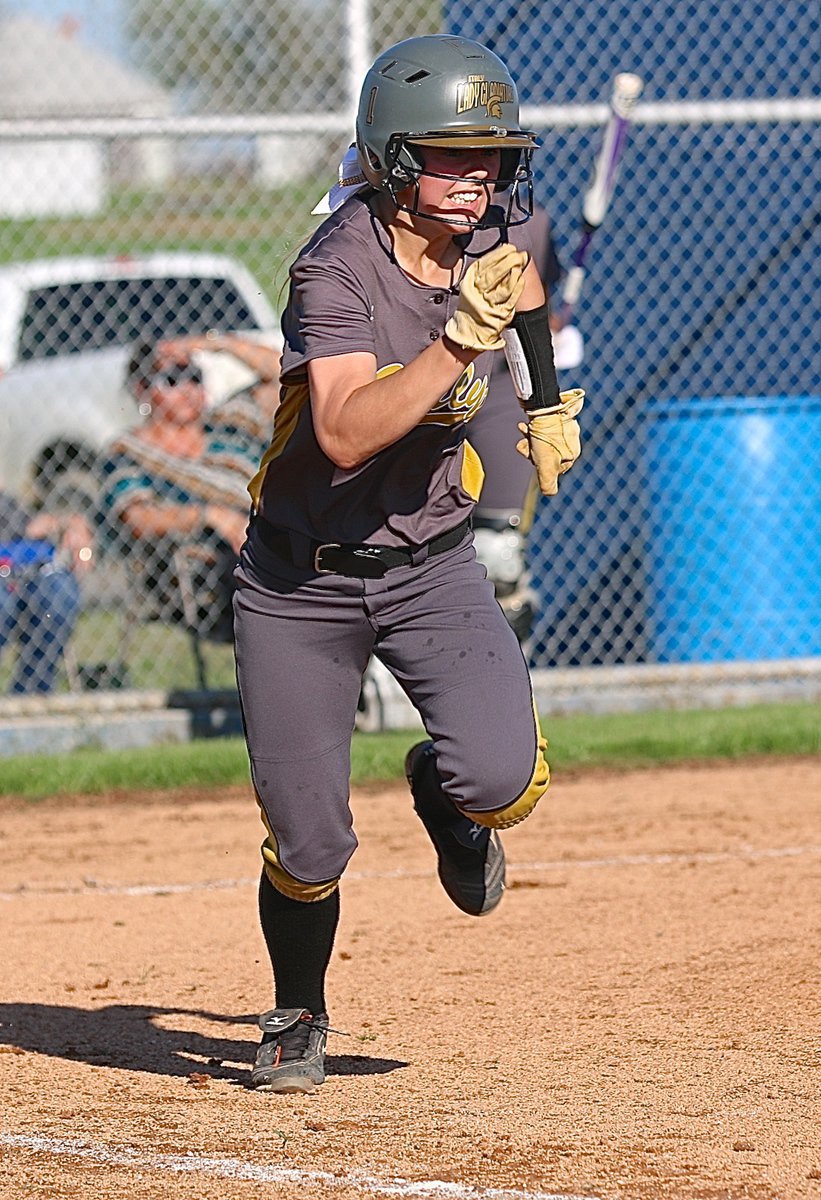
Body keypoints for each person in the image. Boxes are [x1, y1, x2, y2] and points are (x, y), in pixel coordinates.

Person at [233, 34, 585, 1094]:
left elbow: (520, 288)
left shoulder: (495, 219)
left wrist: (544, 398)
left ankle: (440, 791)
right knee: (308, 843)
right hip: (301, 578)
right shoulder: (332, 269)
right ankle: (298, 1011)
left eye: (491, 157)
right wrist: (455, 348)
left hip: (429, 561)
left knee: (503, 783)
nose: (477, 176)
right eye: (448, 155)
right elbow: (341, 432)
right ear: (388, 159)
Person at [97, 340, 259, 643]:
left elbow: (286, 376)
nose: (187, 388)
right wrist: (209, 516)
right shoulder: (129, 453)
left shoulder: (231, 426)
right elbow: (138, 519)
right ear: (142, 389)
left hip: (270, 543)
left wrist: (218, 343)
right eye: (172, 379)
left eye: (194, 377)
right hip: (199, 574)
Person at [469, 205, 565, 643]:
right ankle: (380, 694)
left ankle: (503, 695)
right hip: (417, 384)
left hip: (502, 384)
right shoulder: (374, 215)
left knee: (498, 555)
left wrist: (544, 326)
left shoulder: (530, 220)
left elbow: (536, 297)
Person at [0, 491, 93, 693]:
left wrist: (70, 524)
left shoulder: (8, 503)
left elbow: (36, 522)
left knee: (60, 594)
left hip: (27, 572)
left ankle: (29, 699)